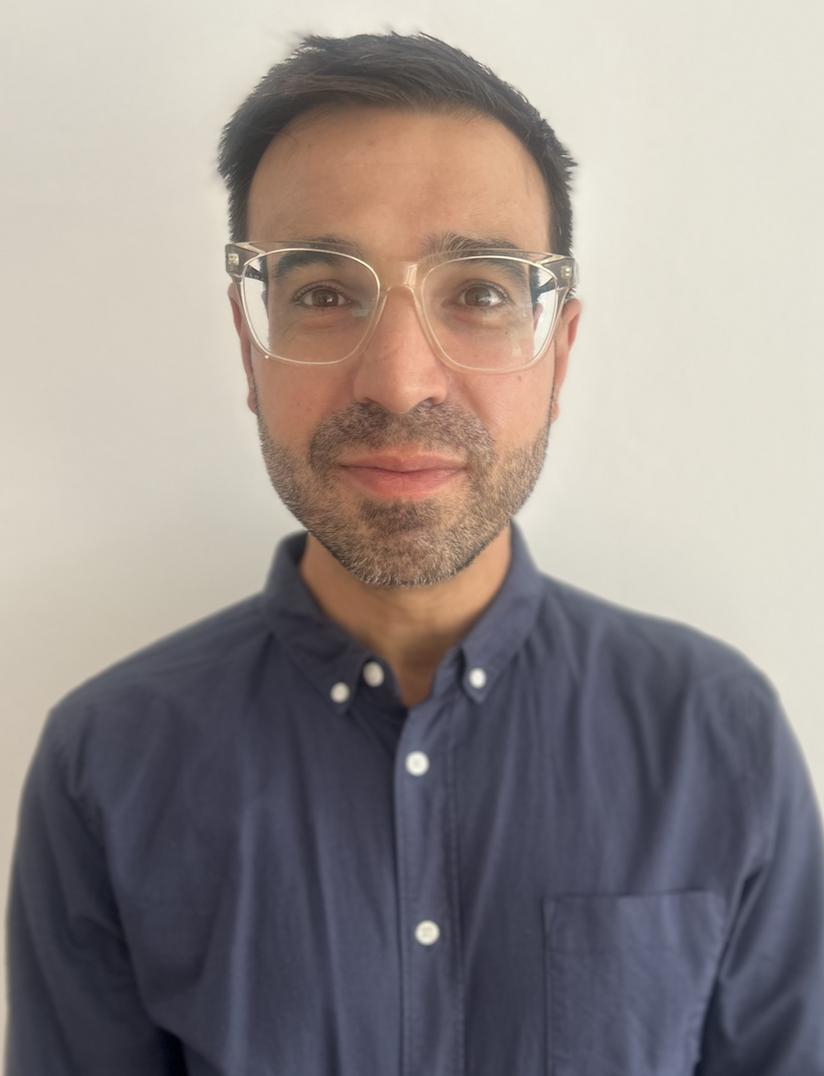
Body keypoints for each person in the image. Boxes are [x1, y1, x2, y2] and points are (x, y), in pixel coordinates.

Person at [6, 31, 824, 1076]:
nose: (398, 381)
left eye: (478, 291)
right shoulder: (104, 764)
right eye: (321, 291)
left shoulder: (717, 734)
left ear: (557, 352)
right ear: (250, 347)